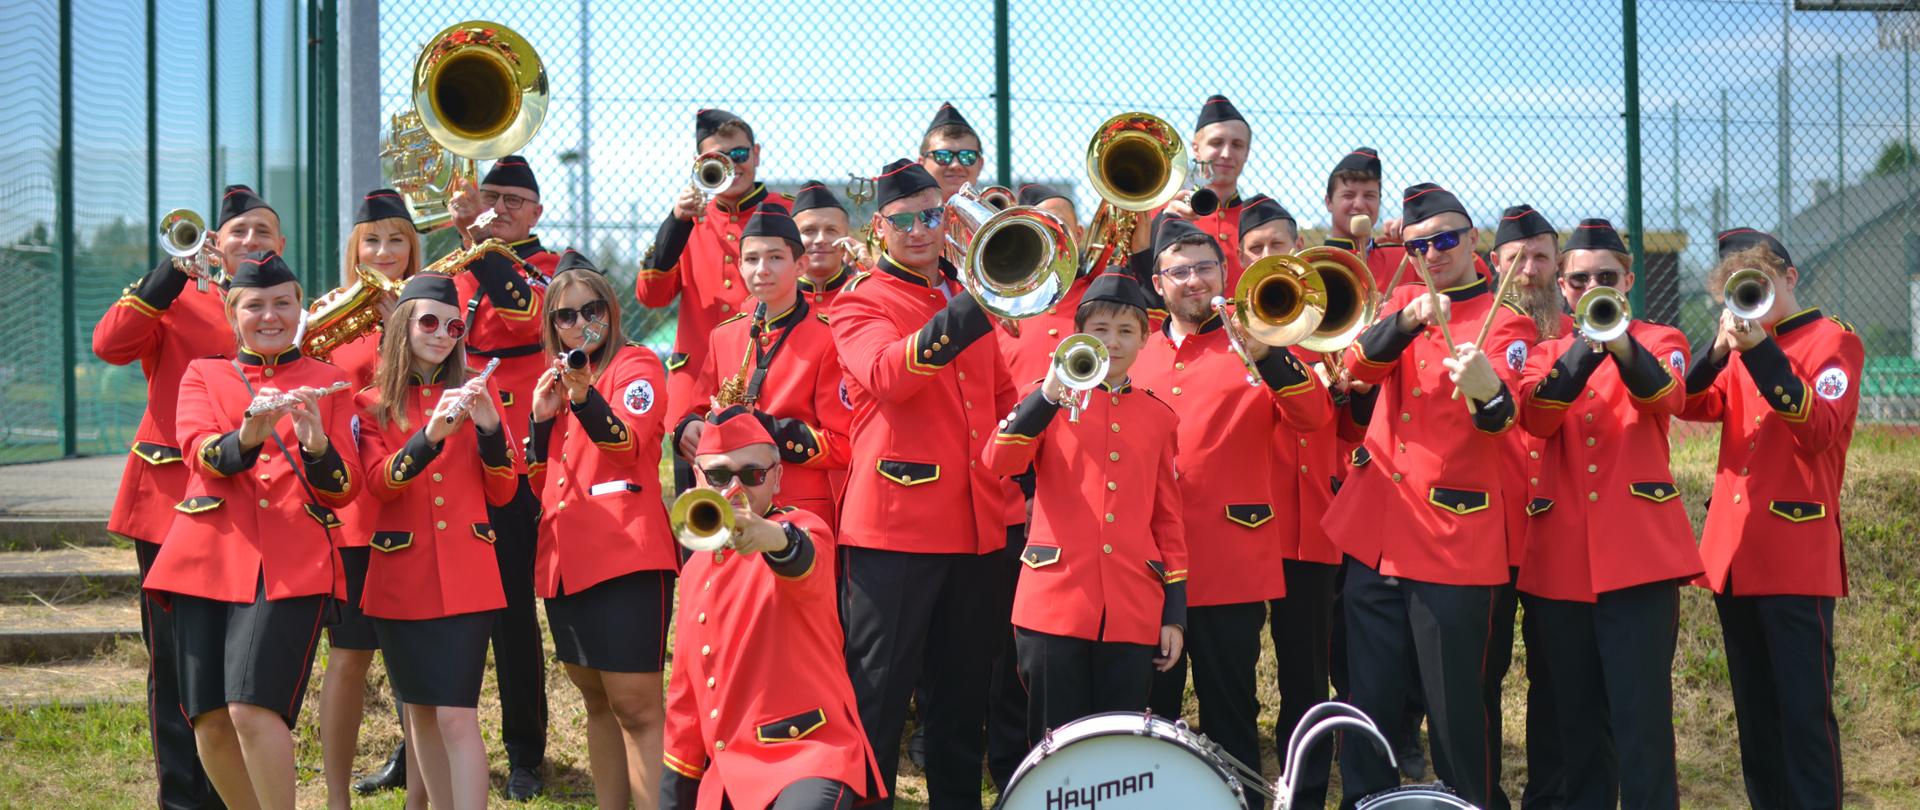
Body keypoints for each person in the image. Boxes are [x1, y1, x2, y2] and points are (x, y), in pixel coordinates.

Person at [1323, 184, 1538, 810]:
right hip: (1378, 532)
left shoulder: (1509, 319)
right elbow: (1353, 374)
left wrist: (1485, 385)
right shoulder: (1404, 301)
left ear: (1474, 241)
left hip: (1452, 539)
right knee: (1368, 704)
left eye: (1446, 240)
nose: (1433, 253)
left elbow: (1506, 417)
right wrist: (1405, 319)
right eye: (1418, 246)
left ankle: (1473, 803)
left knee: (1455, 714)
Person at [830, 159, 1018, 809]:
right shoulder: (858, 300)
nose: (920, 231)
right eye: (904, 220)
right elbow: (887, 375)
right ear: (879, 227)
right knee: (878, 701)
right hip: (894, 533)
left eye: (932, 216)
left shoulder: (966, 294)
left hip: (975, 527)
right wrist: (977, 300)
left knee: (963, 706)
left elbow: (1000, 399)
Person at [143, 251, 360, 810]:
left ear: (300, 309)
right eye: (255, 306)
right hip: (206, 558)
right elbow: (200, 454)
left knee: (251, 708)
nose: (270, 316)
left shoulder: (330, 381)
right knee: (210, 718)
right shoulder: (204, 374)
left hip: (291, 561)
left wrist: (316, 444)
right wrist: (248, 434)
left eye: (283, 303)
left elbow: (345, 488)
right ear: (233, 313)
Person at [1135, 217, 1333, 803]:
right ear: (1158, 282)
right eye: (1180, 271)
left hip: (1229, 562)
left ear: (1226, 274)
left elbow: (1314, 417)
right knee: (1155, 717)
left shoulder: (1260, 338)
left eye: (1205, 268)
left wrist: (1268, 355)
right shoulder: (1138, 348)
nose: (1194, 281)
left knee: (1230, 714)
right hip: (1147, 567)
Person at [92, 183, 275, 810]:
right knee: (175, 662)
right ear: (216, 245)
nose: (251, 240)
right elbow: (110, 345)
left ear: (280, 245)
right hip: (170, 499)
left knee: (242, 665)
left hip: (253, 504)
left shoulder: (284, 306)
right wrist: (168, 276)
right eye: (239, 232)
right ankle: (182, 798)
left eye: (264, 231)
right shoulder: (178, 298)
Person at [1514, 218, 1697, 810]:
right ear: (1563, 287)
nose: (1593, 285)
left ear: (1628, 280)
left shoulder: (1662, 338)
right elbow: (1537, 419)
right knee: (1578, 730)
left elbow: (1665, 397)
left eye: (1605, 277)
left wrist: (1618, 343)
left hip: (1639, 560)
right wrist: (1582, 349)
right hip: (1561, 563)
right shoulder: (1543, 352)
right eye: (1580, 279)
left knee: (1643, 725)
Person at [1680, 228, 1862, 810]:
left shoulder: (1833, 340)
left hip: (1794, 556)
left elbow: (1818, 432)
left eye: (1759, 282)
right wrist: (1716, 350)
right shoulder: (1738, 346)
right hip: (1733, 555)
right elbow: (1682, 402)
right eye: (1738, 287)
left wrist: (1759, 350)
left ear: (1790, 278)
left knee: (1803, 718)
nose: (1750, 295)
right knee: (1756, 720)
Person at [983, 272, 1188, 739]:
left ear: (1144, 341)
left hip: (1133, 607)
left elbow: (1168, 521)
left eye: (1125, 332)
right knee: (1054, 744)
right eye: (1100, 330)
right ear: (1079, 336)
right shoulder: (1047, 399)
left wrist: (1174, 612)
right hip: (1054, 604)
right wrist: (1049, 394)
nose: (1112, 343)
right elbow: (998, 459)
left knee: (1118, 746)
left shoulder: (1159, 417)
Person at [661, 407, 884, 810]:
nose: (734, 489)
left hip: (808, 754)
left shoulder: (806, 527)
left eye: (751, 475)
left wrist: (772, 537)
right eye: (718, 476)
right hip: (730, 773)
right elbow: (686, 708)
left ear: (777, 477)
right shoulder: (696, 570)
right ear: (698, 478)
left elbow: (801, 557)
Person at [354, 272, 521, 809]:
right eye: (429, 321)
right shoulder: (372, 401)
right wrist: (428, 439)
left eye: (454, 325)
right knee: (419, 710)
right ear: (403, 324)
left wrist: (491, 428)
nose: (443, 333)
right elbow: (379, 484)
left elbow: (504, 489)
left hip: (468, 574)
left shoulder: (479, 387)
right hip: (401, 578)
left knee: (455, 712)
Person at [528, 266, 677, 810]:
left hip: (625, 558)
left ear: (611, 312)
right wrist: (540, 422)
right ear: (552, 325)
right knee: (596, 702)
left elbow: (628, 446)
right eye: (566, 315)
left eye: (593, 309)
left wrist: (585, 397)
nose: (581, 323)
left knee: (637, 708)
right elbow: (539, 482)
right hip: (565, 561)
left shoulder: (635, 364)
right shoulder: (555, 382)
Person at [317, 187, 426, 810]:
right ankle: (335, 797)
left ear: (413, 247)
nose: (384, 252)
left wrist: (403, 318)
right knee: (351, 656)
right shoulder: (331, 314)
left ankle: (419, 794)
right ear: (354, 247)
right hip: (357, 509)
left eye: (396, 240)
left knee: (414, 664)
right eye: (371, 240)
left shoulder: (434, 305)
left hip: (416, 505)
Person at [673, 204, 851, 528]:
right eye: (752, 259)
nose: (762, 270)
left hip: (796, 510)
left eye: (775, 258)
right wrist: (687, 429)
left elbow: (843, 446)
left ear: (801, 265)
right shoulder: (723, 335)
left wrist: (761, 427)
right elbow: (696, 409)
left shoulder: (828, 338)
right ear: (739, 266)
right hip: (729, 504)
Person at [1479, 203, 1567, 810]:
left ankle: (1552, 795)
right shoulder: (1478, 331)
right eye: (1516, 259)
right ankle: (1481, 794)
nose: (1528, 271)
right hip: (1492, 529)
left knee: (1559, 681)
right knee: (1482, 676)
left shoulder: (1585, 332)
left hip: (1562, 533)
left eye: (1539, 258)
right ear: (1493, 265)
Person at [640, 108, 794, 442]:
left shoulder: (788, 211)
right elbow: (651, 296)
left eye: (739, 154)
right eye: (717, 157)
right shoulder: (690, 221)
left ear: (756, 154)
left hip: (768, 380)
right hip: (694, 392)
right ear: (700, 162)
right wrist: (675, 222)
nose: (731, 164)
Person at [1159, 95, 1254, 288]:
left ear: (1246, 152)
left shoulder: (1260, 222)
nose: (1226, 154)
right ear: (1196, 149)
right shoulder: (1165, 212)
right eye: (1216, 143)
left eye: (1237, 145)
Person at [1320, 147, 1408, 293]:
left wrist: (1416, 240)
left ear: (1379, 202)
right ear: (1328, 202)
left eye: (1369, 196)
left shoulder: (1406, 258)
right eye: (1348, 195)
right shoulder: (1309, 265)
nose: (1360, 205)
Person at [791, 180, 862, 308]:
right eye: (809, 231)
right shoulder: (769, 302)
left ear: (846, 238)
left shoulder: (866, 294)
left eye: (831, 230)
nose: (820, 239)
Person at [918, 102, 986, 203]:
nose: (956, 165)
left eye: (967, 156)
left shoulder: (1002, 216)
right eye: (942, 156)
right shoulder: (900, 216)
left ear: (980, 164)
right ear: (921, 164)